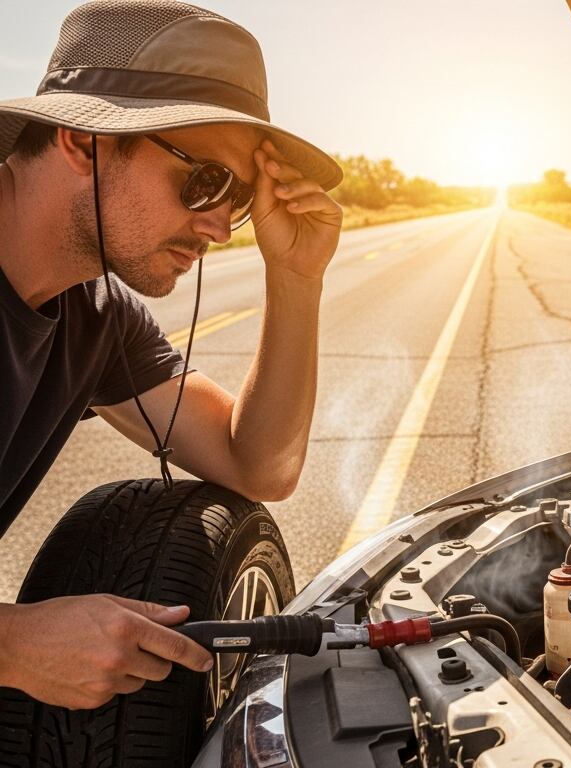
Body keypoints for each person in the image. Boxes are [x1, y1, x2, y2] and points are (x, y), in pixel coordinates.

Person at [0, 0, 343, 709]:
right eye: (205, 180)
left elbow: (258, 463)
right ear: (81, 137)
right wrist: (13, 645)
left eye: (240, 197)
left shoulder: (94, 319)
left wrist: (298, 278)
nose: (221, 225)